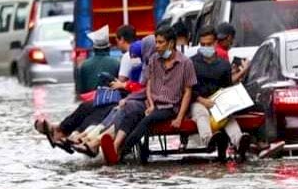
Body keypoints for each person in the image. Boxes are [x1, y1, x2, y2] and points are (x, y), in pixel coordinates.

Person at [99, 25, 197, 165]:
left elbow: (188, 92)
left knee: (147, 120)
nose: (157, 46)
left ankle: (121, 150)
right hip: (154, 104)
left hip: (171, 107)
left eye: (161, 42)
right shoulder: (154, 60)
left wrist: (180, 117)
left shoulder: (185, 63)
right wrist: (150, 104)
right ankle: (115, 145)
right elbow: (149, 85)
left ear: (171, 43)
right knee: (132, 113)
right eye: (156, 42)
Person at [190, 28, 252, 161]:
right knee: (201, 114)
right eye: (203, 45)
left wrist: (227, 103)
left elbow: (227, 87)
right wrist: (202, 100)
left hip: (219, 101)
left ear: (215, 44)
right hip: (198, 101)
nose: (205, 47)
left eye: (209, 44)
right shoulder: (191, 63)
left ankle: (239, 140)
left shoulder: (223, 65)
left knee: (228, 117)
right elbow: (188, 89)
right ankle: (208, 140)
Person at [77, 25, 121, 94]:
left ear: (94, 49)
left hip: (89, 101)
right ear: (109, 48)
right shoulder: (116, 63)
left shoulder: (84, 65)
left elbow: (81, 91)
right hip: (111, 101)